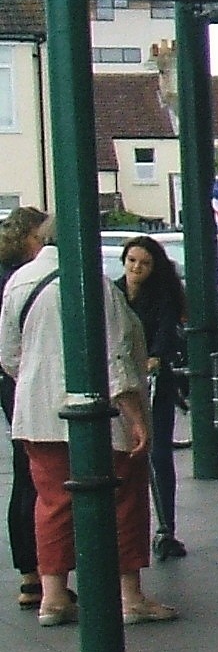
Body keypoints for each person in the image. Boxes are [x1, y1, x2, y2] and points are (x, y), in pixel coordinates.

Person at [1, 221, 173, 625]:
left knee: (53, 503)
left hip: (38, 413)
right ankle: (130, 595)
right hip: (101, 415)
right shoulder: (96, 285)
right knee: (124, 500)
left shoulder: (19, 282)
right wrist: (135, 416)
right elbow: (115, 355)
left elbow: (9, 353)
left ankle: (53, 597)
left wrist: (39, 381)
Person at [117, 235, 188, 562]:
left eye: (144, 263)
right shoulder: (114, 293)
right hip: (121, 381)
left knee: (158, 453)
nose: (136, 268)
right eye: (132, 261)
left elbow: (165, 332)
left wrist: (156, 357)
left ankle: (166, 526)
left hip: (153, 381)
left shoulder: (162, 296)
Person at [0, 207, 44, 607]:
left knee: (25, 474)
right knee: (39, 473)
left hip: (12, 382)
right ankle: (42, 573)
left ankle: (30, 575)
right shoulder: (25, 280)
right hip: (28, 381)